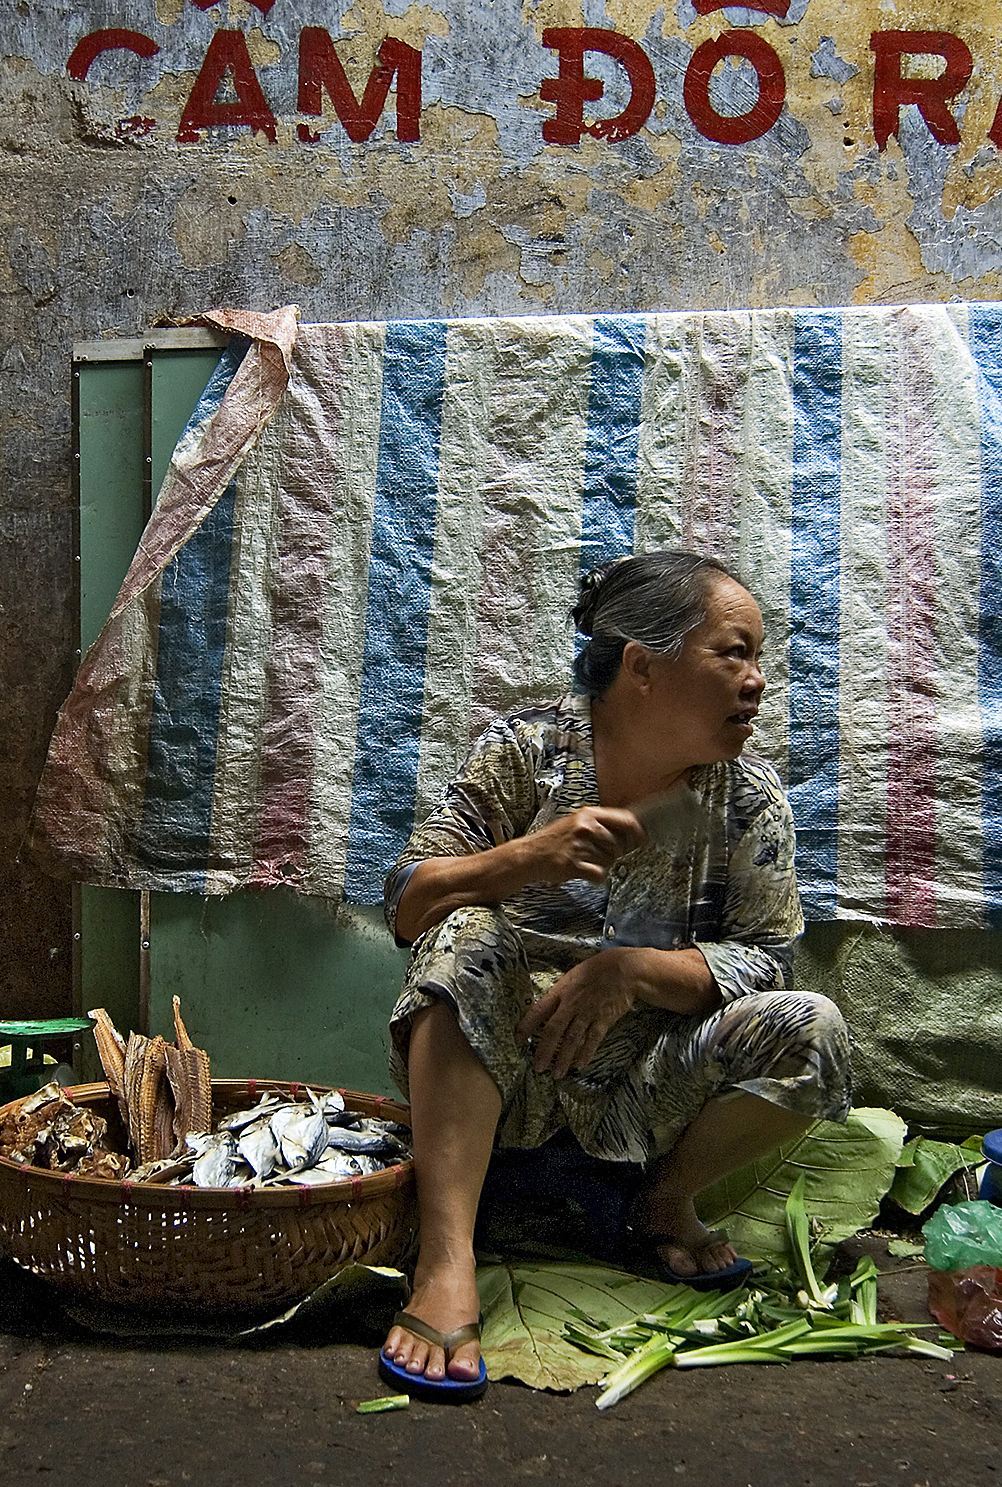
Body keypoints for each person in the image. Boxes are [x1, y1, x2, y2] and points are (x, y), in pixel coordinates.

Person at [376, 549, 854, 1399]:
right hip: (504, 1067)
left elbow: (768, 958)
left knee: (811, 1028)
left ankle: (659, 1204)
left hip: (643, 1089)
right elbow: (409, 904)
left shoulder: (746, 804)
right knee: (465, 936)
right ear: (643, 665)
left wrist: (630, 973)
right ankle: (447, 1262)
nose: (757, 681)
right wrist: (526, 857)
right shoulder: (526, 752)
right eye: (733, 653)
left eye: (759, 658)